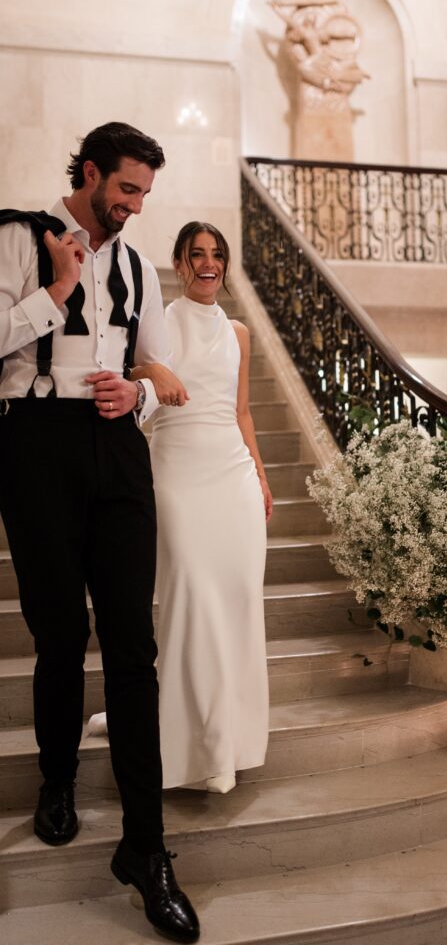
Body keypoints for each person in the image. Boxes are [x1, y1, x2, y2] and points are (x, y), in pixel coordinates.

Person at [0, 122, 199, 944]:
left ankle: (147, 851)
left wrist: (140, 401)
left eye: (144, 195)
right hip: (36, 444)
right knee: (57, 635)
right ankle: (56, 783)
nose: (135, 208)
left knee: (132, 651)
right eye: (126, 191)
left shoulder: (134, 266)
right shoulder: (16, 236)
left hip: (117, 451)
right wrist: (52, 289)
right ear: (88, 174)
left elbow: (154, 362)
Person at [130, 221, 272, 793]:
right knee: (188, 595)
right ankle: (190, 746)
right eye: (197, 255)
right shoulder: (156, 321)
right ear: (181, 262)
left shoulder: (238, 332)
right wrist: (150, 369)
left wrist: (260, 475)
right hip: (177, 471)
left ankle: (230, 742)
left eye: (216, 255)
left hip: (232, 474)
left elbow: (242, 412)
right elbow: (131, 377)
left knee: (237, 604)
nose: (208, 264)